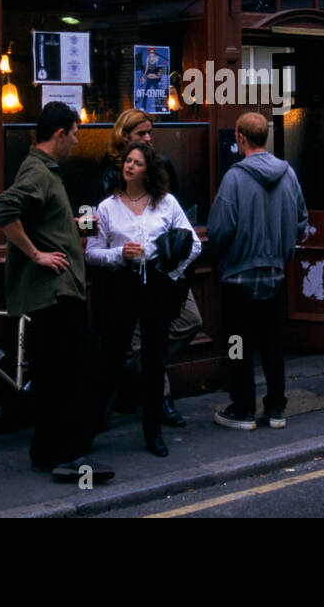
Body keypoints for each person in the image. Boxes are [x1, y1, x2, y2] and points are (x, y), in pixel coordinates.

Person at [0, 102, 111, 482]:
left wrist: (73, 223)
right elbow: (2, 209)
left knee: (56, 374)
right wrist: (36, 254)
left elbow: (40, 217)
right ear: (59, 134)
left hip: (57, 293)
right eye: (74, 134)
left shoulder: (44, 172)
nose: (77, 141)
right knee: (70, 375)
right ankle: (67, 457)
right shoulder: (38, 172)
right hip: (56, 294)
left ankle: (47, 452)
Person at [86, 143, 200, 457]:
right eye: (127, 161)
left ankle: (153, 434)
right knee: (111, 357)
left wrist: (170, 271)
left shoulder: (166, 203)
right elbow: (91, 253)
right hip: (122, 284)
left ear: (148, 170)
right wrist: (119, 254)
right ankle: (88, 430)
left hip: (156, 284)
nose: (129, 166)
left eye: (136, 162)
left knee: (154, 361)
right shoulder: (107, 207)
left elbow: (193, 245)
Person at [208, 112, 308, 430]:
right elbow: (302, 221)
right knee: (271, 343)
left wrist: (224, 257)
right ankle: (276, 409)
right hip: (275, 272)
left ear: (240, 137)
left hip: (238, 275)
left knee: (239, 342)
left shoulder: (234, 177)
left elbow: (218, 229)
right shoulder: (288, 173)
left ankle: (243, 409)